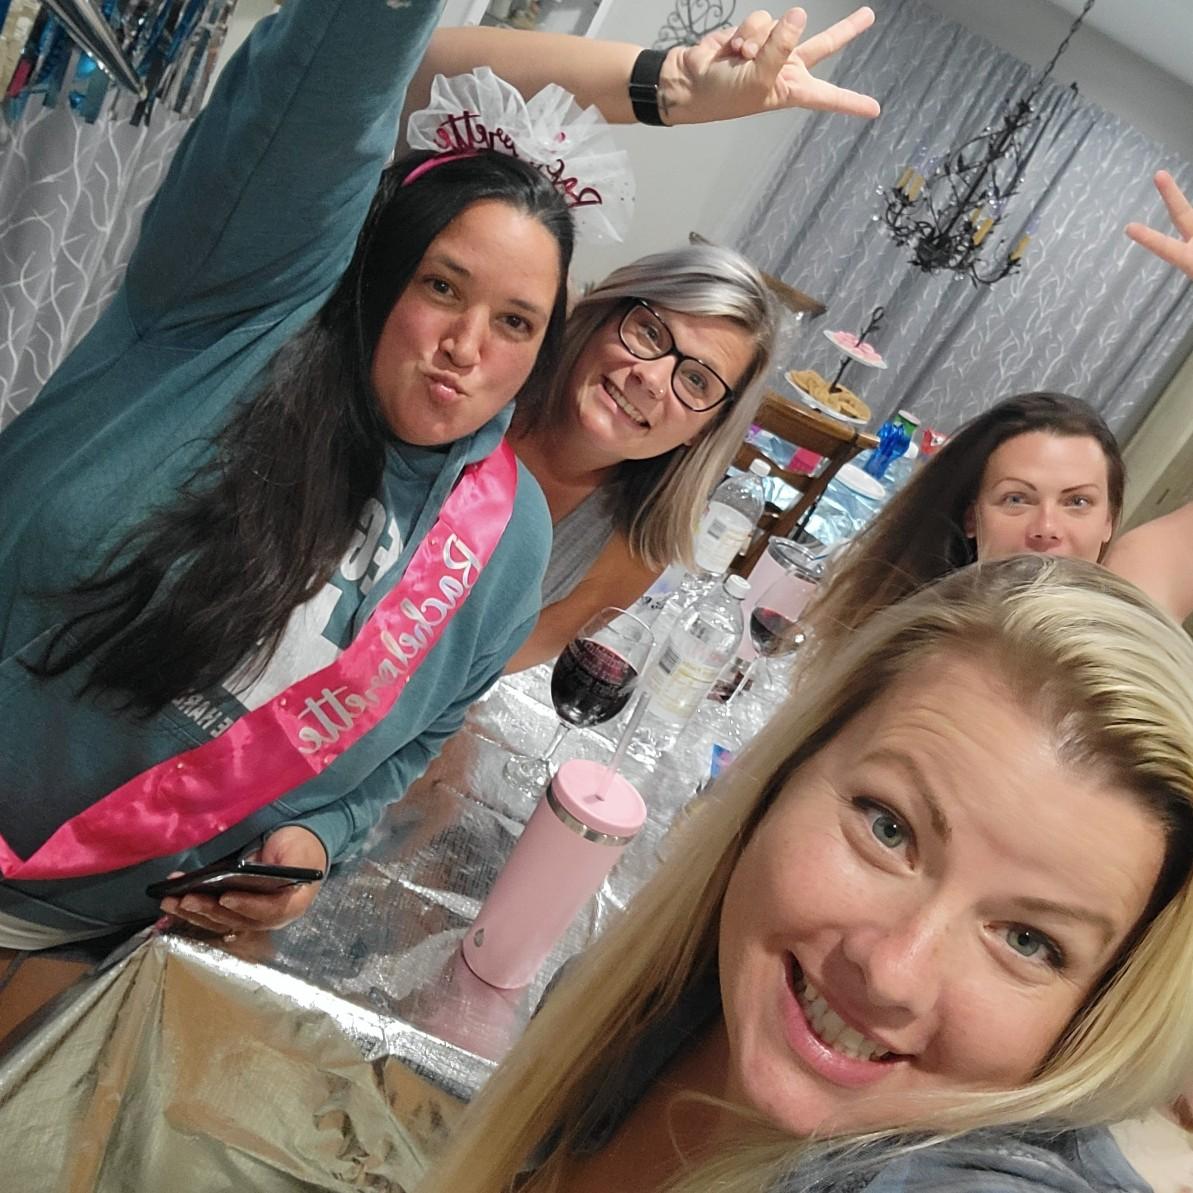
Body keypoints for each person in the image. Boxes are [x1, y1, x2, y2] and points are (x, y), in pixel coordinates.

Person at [0, 1, 882, 948]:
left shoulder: (512, 544)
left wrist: (317, 842)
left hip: (87, 946)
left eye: (514, 321)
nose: (466, 345)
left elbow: (396, 757)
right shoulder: (242, 318)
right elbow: (346, 62)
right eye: (441, 286)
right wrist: (660, 85)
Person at [420, 554, 1193, 1193]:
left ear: (1096, 1012)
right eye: (888, 828)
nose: (892, 971)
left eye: (1027, 939)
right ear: (787, 772)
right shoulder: (648, 1007)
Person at [507, 245, 776, 669]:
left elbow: (478, 675)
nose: (651, 379)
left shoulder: (635, 552)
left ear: (704, 430)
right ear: (605, 315)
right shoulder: (489, 380)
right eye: (651, 332)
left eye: (696, 380)